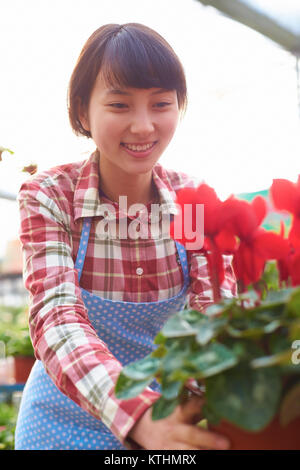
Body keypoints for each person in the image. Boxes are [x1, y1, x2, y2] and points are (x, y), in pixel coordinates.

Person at [14, 23, 236, 450]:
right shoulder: (51, 197)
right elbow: (56, 318)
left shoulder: (192, 202)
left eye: (161, 104)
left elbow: (215, 314)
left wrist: (198, 399)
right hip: (61, 424)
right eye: (119, 105)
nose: (143, 126)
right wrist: (136, 414)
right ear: (83, 112)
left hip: (168, 421)